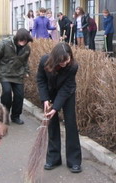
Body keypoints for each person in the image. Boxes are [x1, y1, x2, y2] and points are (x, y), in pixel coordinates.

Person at [37, 42, 82, 173]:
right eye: (61, 62)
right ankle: (53, 158)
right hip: (50, 93)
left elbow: (66, 88)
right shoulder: (45, 61)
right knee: (52, 124)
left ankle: (74, 160)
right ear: (55, 59)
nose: (64, 64)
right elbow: (40, 80)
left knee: (71, 124)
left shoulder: (73, 66)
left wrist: (55, 108)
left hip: (67, 93)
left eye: (67, 60)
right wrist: (45, 99)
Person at [0, 28, 32, 125]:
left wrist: (26, 71)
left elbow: (25, 61)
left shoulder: (27, 48)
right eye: (21, 40)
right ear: (17, 38)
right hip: (4, 73)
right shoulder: (5, 44)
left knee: (19, 95)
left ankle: (15, 116)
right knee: (7, 93)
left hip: (18, 74)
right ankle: (4, 115)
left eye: (25, 41)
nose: (23, 43)